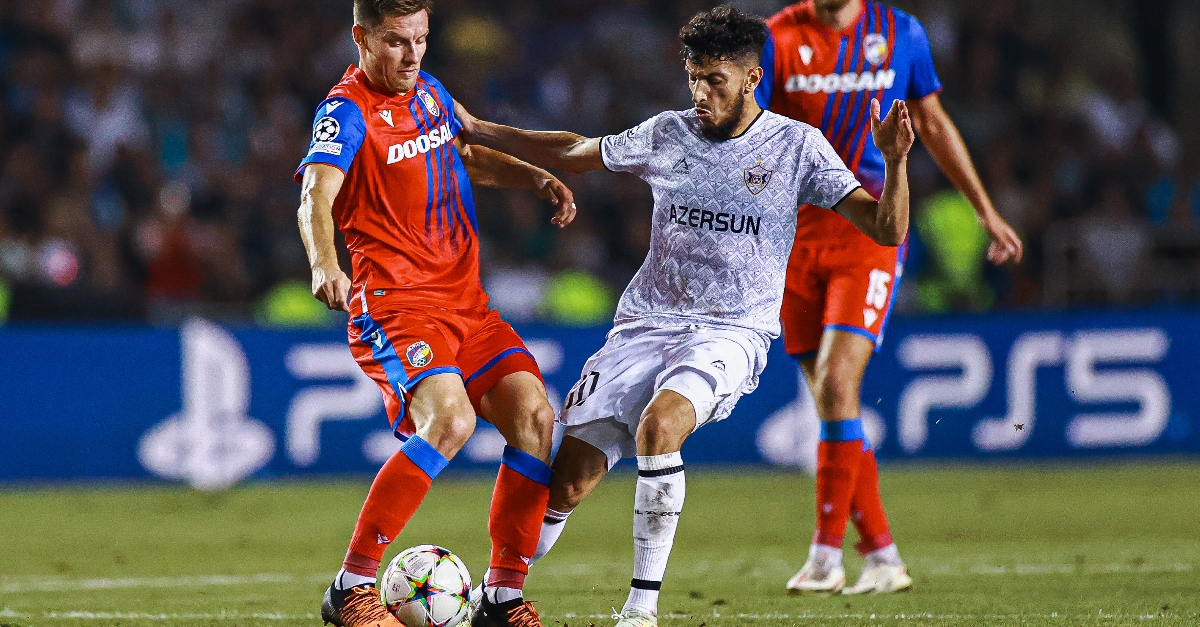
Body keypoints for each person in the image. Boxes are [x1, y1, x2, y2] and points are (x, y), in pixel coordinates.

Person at [455, 7, 914, 626]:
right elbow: (573, 149)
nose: (700, 93)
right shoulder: (667, 133)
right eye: (693, 77)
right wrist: (483, 128)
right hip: (644, 325)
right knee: (565, 484)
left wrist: (898, 162)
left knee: (660, 427)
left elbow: (885, 230)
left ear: (753, 79)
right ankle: (494, 601)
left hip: (732, 330)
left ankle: (640, 611)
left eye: (715, 80)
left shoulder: (795, 147)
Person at [295, 2, 579, 626]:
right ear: (361, 38)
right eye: (397, 43)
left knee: (534, 417)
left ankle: (502, 598)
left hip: (466, 303)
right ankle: (351, 587)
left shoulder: (428, 93)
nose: (412, 55)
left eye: (421, 40)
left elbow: (466, 153)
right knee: (449, 422)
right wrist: (323, 262)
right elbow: (317, 192)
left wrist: (534, 177)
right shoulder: (345, 111)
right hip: (397, 308)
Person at [755, 0, 1024, 594]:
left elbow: (932, 121)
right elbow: (749, 131)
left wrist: (984, 209)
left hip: (870, 228)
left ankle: (825, 558)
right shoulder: (777, 36)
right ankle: (882, 555)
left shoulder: (900, 32)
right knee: (834, 405)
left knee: (835, 384)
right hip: (792, 240)